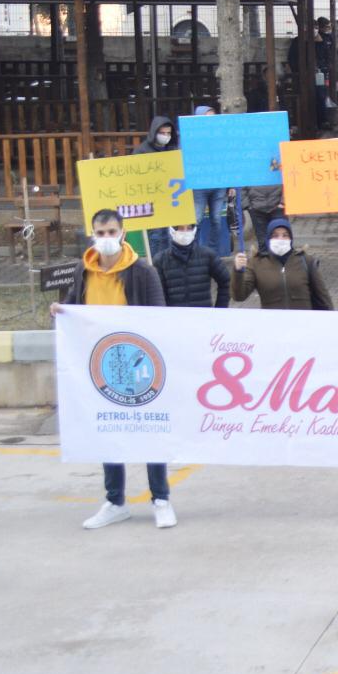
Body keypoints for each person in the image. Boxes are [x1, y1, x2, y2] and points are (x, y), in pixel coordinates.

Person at [55, 209, 174, 530]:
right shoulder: (84, 270)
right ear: (92, 234)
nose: (106, 238)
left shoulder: (142, 273)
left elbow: (158, 316)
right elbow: (73, 306)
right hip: (101, 367)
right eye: (100, 232)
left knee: (149, 429)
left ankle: (161, 498)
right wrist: (61, 311)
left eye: (111, 232)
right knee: (108, 432)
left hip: (139, 365)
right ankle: (115, 501)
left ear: (123, 234)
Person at [231, 219, 334, 311]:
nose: (280, 239)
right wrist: (238, 271)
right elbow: (239, 296)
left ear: (291, 239)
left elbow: (323, 298)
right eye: (275, 235)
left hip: (303, 325)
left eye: (285, 235)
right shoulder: (256, 263)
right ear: (268, 239)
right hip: (273, 326)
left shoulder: (306, 261)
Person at [186, 106, 232, 257]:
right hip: (199, 185)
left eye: (213, 117)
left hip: (219, 184)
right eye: (207, 117)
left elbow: (229, 161)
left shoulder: (221, 138)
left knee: (217, 220)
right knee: (197, 219)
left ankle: (212, 252)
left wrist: (230, 184)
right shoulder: (191, 138)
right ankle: (193, 251)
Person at [152, 222, 230, 308]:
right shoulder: (160, 260)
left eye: (189, 228)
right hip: (175, 319)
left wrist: (219, 310)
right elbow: (157, 295)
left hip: (203, 317)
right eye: (181, 228)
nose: (185, 232)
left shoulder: (208, 255)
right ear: (172, 230)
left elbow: (226, 281)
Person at [134, 116, 178, 259]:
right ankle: (155, 264)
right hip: (151, 200)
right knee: (156, 235)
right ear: (154, 132)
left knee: (170, 234)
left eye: (168, 133)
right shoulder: (141, 151)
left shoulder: (172, 150)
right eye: (162, 133)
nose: (166, 136)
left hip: (170, 198)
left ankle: (168, 263)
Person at [240, 182, 284, 252]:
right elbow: (242, 185)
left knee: (281, 238)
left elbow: (288, 179)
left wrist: (283, 202)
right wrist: (247, 206)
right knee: (262, 240)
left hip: (278, 206)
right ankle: (264, 260)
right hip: (256, 207)